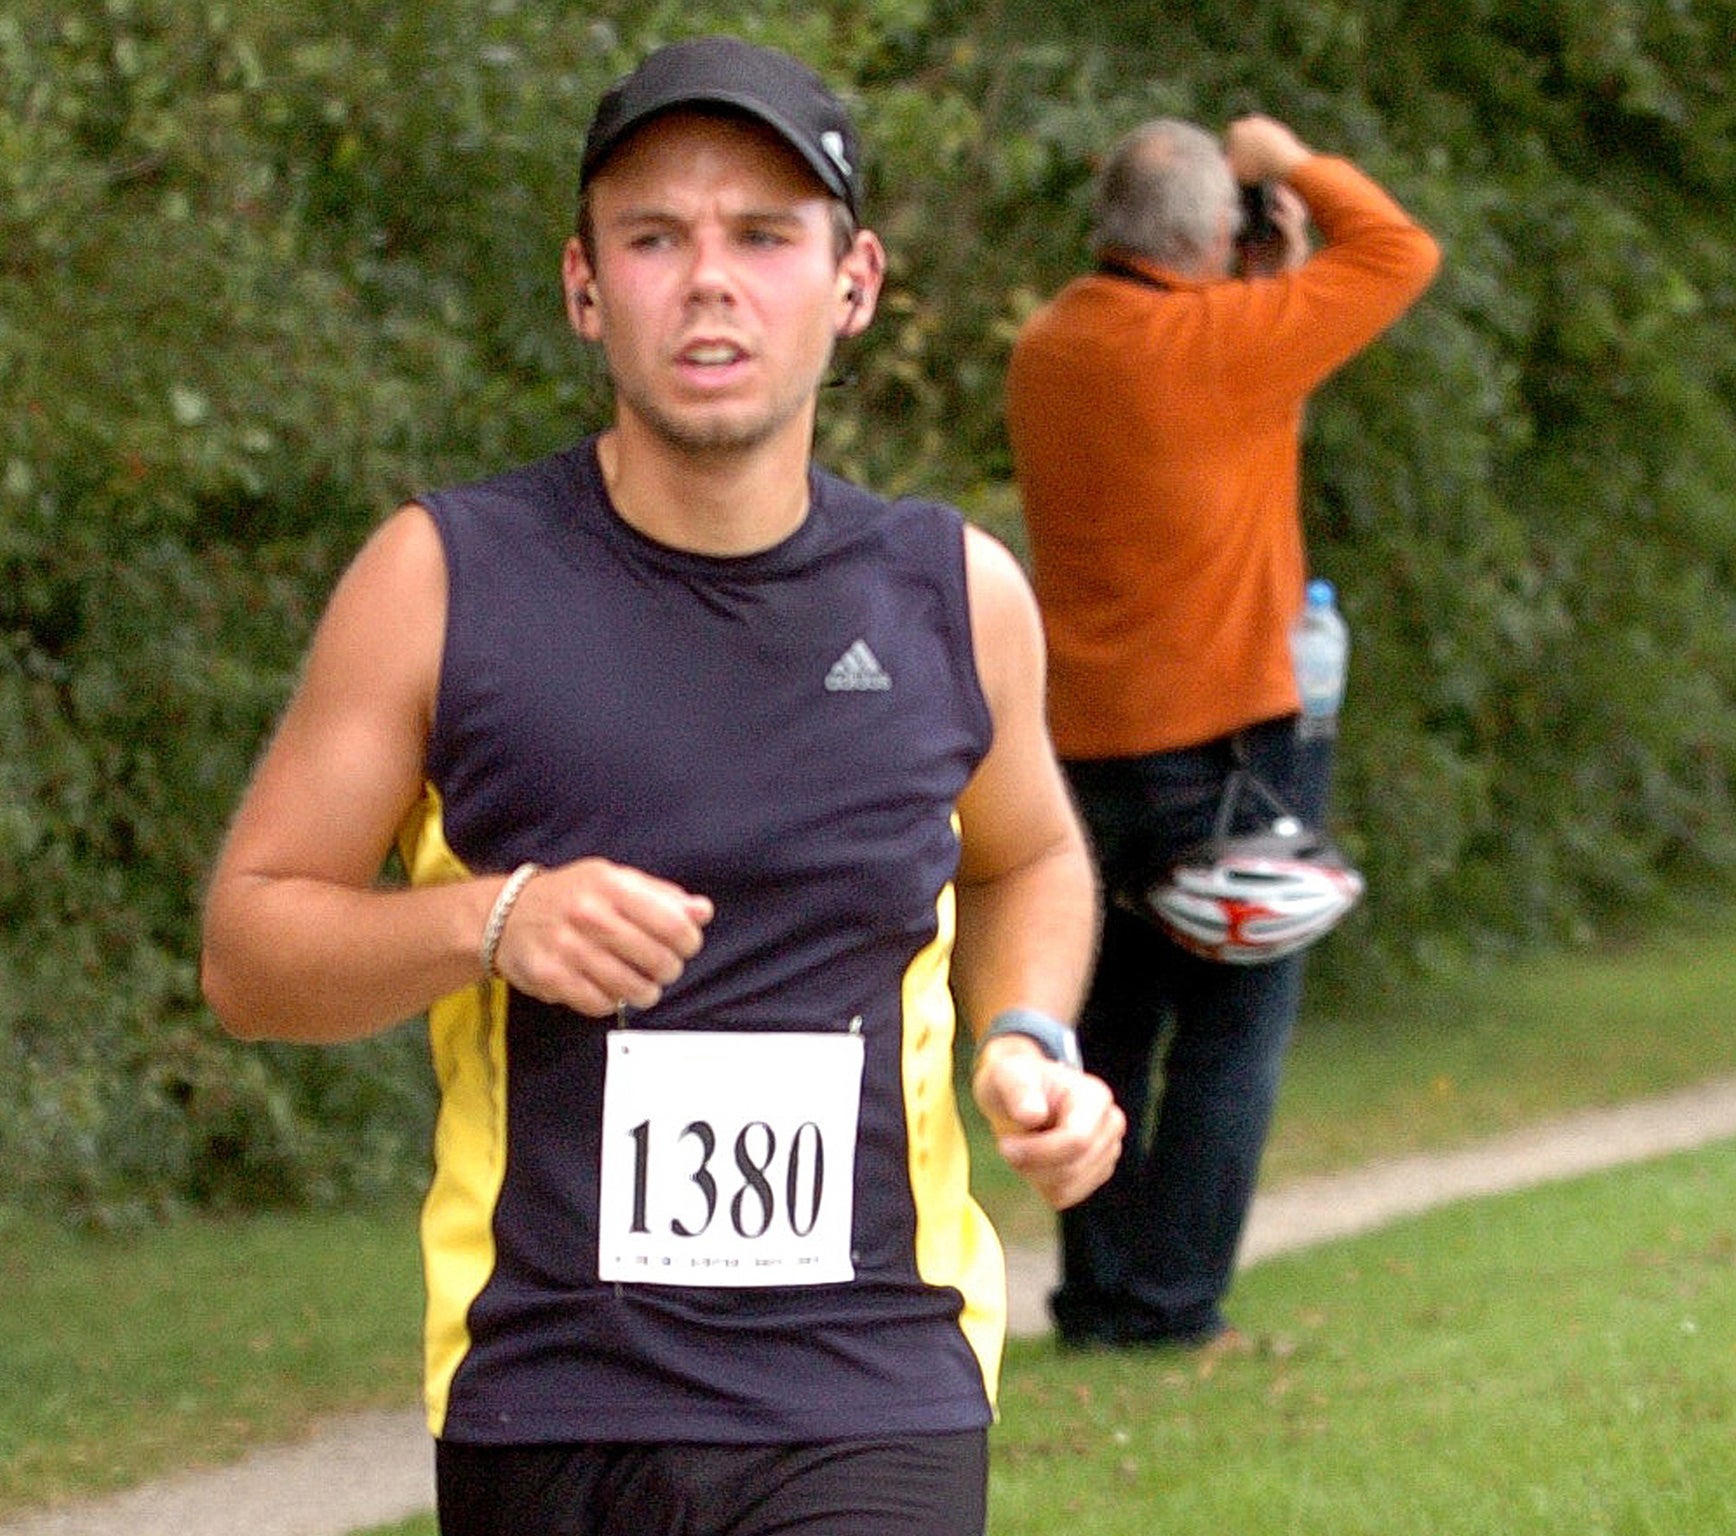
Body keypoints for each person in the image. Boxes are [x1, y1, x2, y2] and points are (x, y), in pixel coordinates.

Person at [201, 36, 1125, 1536]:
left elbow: (1028, 859)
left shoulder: (952, 593)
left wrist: (1025, 1037)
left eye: (764, 237)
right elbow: (250, 953)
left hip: (869, 1376)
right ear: (585, 287)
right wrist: (488, 925)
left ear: (855, 283)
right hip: (555, 1385)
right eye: (655, 237)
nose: (711, 279)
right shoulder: (445, 580)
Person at [1003, 115, 1440, 1351]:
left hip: (1083, 749)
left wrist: (1254, 279)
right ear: (1207, 232)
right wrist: (1282, 155)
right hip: (1231, 750)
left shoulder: (1049, 347)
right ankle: (1171, 1306)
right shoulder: (1224, 343)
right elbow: (1398, 250)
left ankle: (1098, 1296)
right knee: (1230, 1034)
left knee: (1110, 1033)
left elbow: (1206, 418)